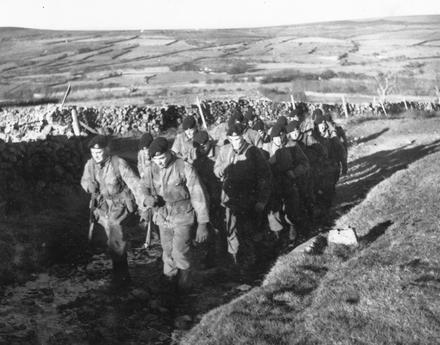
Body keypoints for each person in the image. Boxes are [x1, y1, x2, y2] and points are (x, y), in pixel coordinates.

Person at [144, 137, 210, 290]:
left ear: (169, 152)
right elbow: (142, 186)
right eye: (156, 159)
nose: (159, 162)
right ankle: (170, 285)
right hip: (163, 215)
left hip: (183, 215)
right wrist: (146, 199)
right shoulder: (151, 169)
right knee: (167, 252)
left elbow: (198, 195)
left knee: (180, 252)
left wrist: (202, 223)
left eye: (162, 158)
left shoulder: (184, 167)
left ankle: (185, 287)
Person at [81, 135, 146, 286]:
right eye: (93, 153)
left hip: (120, 206)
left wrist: (144, 206)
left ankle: (122, 277)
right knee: (108, 240)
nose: (96, 156)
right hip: (103, 207)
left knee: (116, 237)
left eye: (99, 152)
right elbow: (84, 180)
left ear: (107, 150)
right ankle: (116, 269)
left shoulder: (118, 163)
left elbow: (135, 184)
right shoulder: (90, 165)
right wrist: (88, 185)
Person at [214, 123, 271, 269]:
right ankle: (235, 260)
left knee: (247, 230)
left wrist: (262, 200)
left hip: (248, 197)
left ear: (243, 137)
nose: (236, 142)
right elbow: (216, 171)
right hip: (230, 198)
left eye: (238, 139)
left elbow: (265, 177)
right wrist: (226, 164)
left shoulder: (254, 152)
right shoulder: (224, 150)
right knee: (231, 229)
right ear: (228, 138)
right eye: (232, 139)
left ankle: (250, 262)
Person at [265, 124, 311, 242]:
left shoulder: (293, 145)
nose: (279, 140)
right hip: (273, 183)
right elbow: (261, 168)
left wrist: (295, 173)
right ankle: (278, 237)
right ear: (272, 139)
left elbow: (305, 163)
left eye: (282, 136)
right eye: (276, 138)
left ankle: (293, 230)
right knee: (274, 212)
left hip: (290, 181)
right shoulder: (266, 148)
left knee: (292, 209)